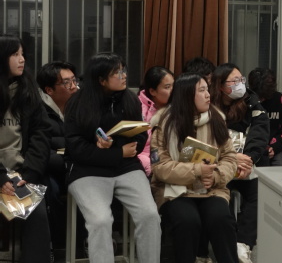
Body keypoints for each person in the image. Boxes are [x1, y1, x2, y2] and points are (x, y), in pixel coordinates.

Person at [64, 52, 161, 263]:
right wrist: (114, 151)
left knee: (150, 215)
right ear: (101, 80)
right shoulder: (77, 104)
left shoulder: (130, 99)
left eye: (123, 70)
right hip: (87, 170)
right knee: (100, 221)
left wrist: (121, 148)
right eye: (117, 72)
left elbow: (141, 135)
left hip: (126, 166)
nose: (123, 75)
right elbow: (76, 148)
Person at [151, 73, 238, 263]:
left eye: (207, 89)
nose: (208, 95)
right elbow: (160, 167)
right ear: (187, 96)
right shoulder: (164, 123)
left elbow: (230, 157)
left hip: (211, 188)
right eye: (202, 90)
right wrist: (197, 171)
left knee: (221, 219)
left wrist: (215, 176)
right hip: (174, 190)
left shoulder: (217, 119)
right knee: (187, 221)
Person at [209, 63, 269, 263]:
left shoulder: (252, 103)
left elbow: (259, 135)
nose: (240, 84)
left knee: (258, 194)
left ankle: (243, 243)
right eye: (234, 81)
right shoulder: (209, 106)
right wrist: (231, 159)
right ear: (220, 86)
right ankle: (228, 242)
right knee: (218, 197)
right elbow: (206, 140)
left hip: (247, 166)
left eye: (241, 79)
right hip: (220, 165)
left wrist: (248, 160)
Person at [0, 34, 53, 263]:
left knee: (36, 214)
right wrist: (1, 177)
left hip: (21, 175)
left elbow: (41, 136)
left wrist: (28, 174)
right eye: (15, 54)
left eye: (22, 54)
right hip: (1, 175)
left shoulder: (29, 92)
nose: (22, 59)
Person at [36, 61, 79, 252]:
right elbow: (40, 150)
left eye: (75, 80)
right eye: (67, 82)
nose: (74, 86)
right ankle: (54, 244)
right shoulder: (38, 111)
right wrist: (68, 159)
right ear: (49, 90)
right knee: (50, 189)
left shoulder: (79, 106)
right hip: (51, 168)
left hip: (75, 165)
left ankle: (83, 241)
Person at [247, 67, 282, 166]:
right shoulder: (246, 100)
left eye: (264, 97)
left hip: (273, 150)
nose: (261, 100)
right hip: (249, 150)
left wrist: (274, 148)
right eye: (259, 96)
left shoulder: (280, 99)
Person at [137, 66, 174, 177]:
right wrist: (151, 168)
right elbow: (139, 148)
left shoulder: (176, 106)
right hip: (146, 163)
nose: (173, 91)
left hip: (170, 160)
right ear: (152, 91)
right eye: (167, 87)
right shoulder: (137, 107)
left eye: (174, 86)